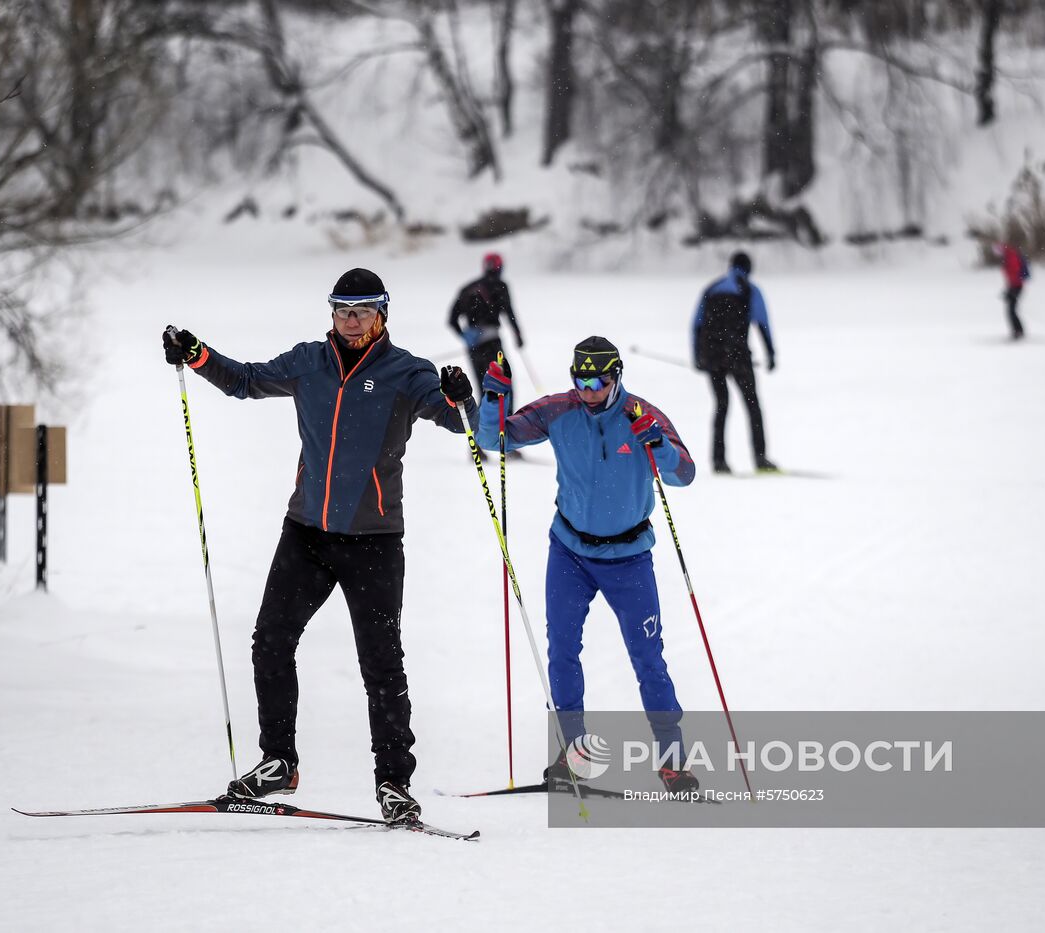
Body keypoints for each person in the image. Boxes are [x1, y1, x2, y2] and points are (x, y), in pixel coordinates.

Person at [160, 268, 475, 824]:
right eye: (341, 310)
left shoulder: (406, 372)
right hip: (306, 532)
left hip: (374, 541)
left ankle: (394, 783)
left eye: (362, 311)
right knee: (270, 641)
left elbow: (457, 421)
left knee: (382, 666)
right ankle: (279, 761)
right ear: (331, 313)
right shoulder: (309, 362)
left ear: (382, 315)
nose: (351, 321)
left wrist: (461, 397)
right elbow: (246, 380)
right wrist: (198, 354)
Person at [474, 337, 700, 793]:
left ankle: (673, 759)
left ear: (617, 377)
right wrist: (493, 399)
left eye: (598, 380)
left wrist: (657, 445)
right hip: (570, 552)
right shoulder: (560, 410)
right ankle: (573, 753)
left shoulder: (642, 416)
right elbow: (491, 438)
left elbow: (684, 474)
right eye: (580, 379)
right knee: (562, 651)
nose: (588, 389)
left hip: (630, 557)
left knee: (648, 660)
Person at [692, 251, 778, 474]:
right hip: (738, 356)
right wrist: (770, 354)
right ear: (749, 268)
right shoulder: (749, 290)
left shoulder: (712, 289)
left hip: (713, 357)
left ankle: (718, 461)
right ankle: (760, 458)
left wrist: (698, 357)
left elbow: (696, 325)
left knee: (721, 406)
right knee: (752, 406)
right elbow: (763, 324)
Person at [448, 252, 525, 402]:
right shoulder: (500, 286)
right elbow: (509, 313)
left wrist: (465, 336)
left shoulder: (467, 288)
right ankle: (508, 421)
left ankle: (483, 423)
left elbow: (452, 320)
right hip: (492, 344)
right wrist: (518, 335)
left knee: (482, 387)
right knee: (503, 385)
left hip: (473, 346)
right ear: (500, 267)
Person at [999, 241, 1031, 340]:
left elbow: (1015, 272)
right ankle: (1018, 331)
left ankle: (1018, 331)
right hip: (1014, 286)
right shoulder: (1009, 256)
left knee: (1011, 310)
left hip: (1016, 286)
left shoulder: (1011, 257)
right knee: (1011, 310)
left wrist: (1011, 290)